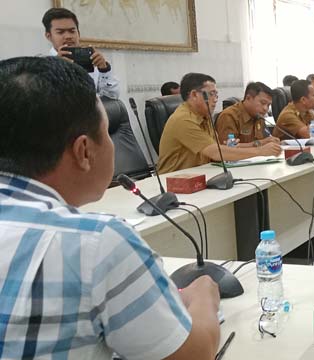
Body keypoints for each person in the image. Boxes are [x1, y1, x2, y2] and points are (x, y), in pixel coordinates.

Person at [0, 56, 221, 359]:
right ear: (84, 151)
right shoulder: (96, 241)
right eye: (106, 132)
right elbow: (194, 355)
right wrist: (203, 296)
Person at [157, 73, 282, 173]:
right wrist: (260, 151)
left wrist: (232, 148)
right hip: (173, 182)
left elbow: (221, 149)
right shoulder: (183, 119)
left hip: (199, 175)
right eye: (211, 94)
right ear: (194, 94)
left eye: (216, 95)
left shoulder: (205, 118)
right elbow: (217, 153)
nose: (215, 100)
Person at [41, 8, 120, 99]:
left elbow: (113, 96)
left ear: (78, 33)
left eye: (72, 31)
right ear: (48, 36)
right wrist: (57, 69)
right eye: (60, 32)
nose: (68, 36)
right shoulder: (43, 66)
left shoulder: (92, 59)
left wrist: (104, 70)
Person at [215, 81, 281, 147]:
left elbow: (267, 139)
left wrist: (273, 141)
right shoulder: (229, 116)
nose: (265, 108)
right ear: (248, 98)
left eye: (268, 105)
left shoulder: (259, 116)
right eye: (263, 103)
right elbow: (229, 147)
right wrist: (260, 143)